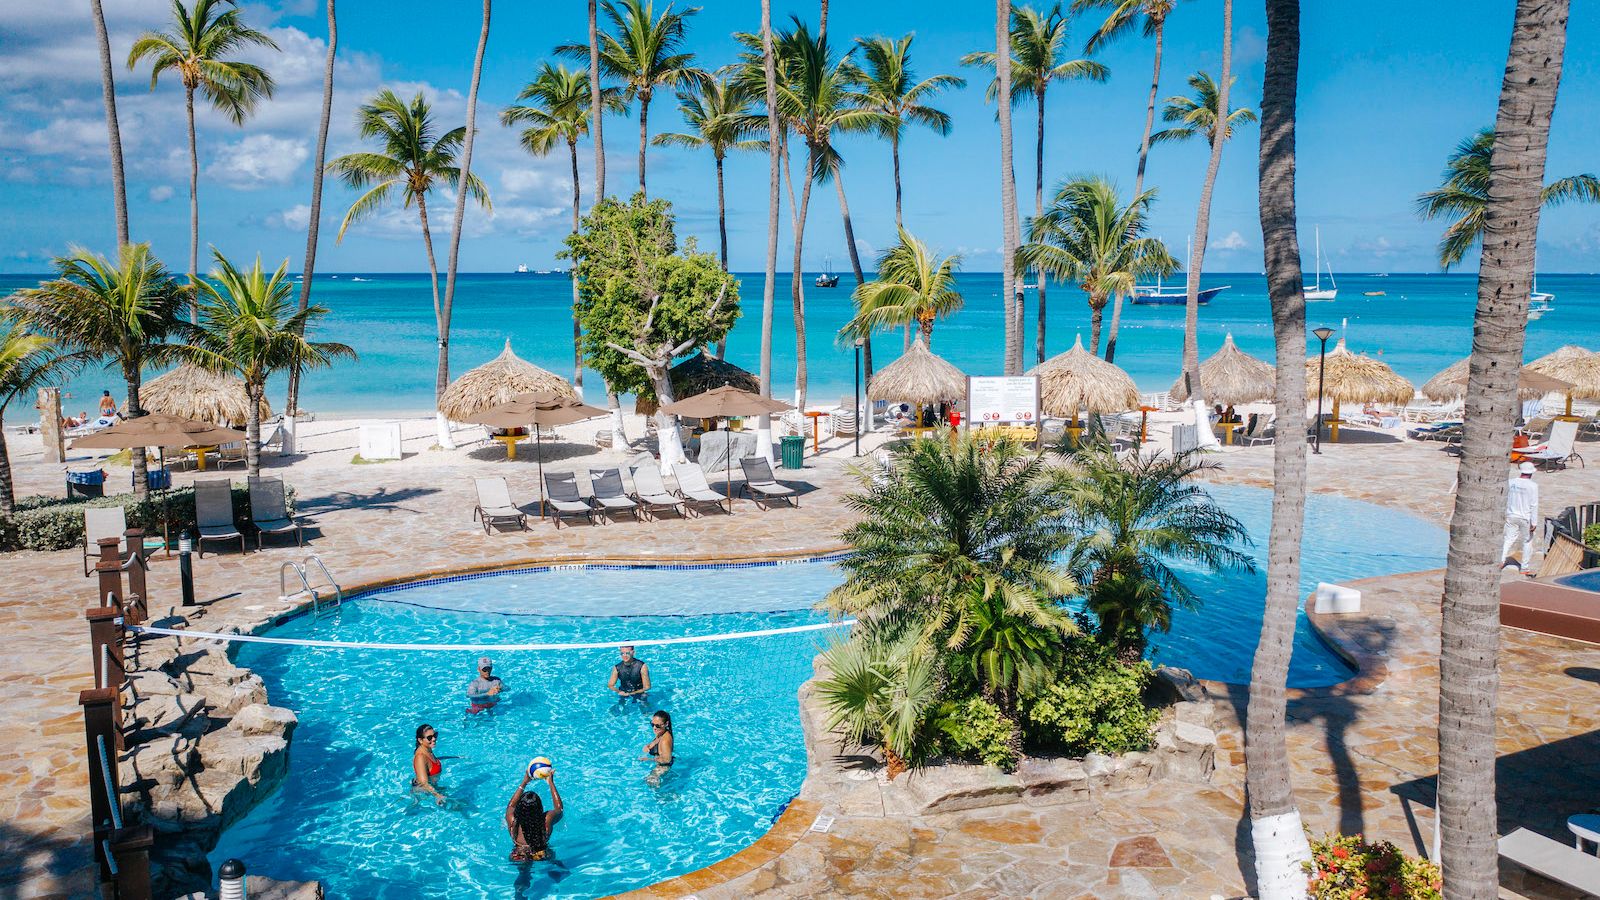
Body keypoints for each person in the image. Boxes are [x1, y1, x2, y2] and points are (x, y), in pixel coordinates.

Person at [505, 769, 563, 862]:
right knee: (553, 863)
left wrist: (524, 782)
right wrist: (550, 783)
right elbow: (559, 809)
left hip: (519, 854)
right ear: (539, 808)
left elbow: (511, 805)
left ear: (519, 808)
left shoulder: (512, 820)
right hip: (541, 853)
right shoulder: (547, 820)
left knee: (524, 874)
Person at [1502, 461, 1540, 575]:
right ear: (1531, 473)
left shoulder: (1511, 482)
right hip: (1525, 518)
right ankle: (1524, 567)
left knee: (1508, 539)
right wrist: (1534, 522)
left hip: (1511, 515)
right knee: (1527, 542)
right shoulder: (1533, 486)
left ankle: (1501, 560)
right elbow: (1534, 505)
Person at [412, 724, 447, 805]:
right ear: (420, 740)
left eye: (435, 735)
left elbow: (435, 760)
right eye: (429, 737)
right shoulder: (420, 757)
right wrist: (437, 795)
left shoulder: (427, 748)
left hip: (433, 787)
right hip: (423, 793)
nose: (434, 739)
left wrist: (455, 757)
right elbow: (423, 783)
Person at [640, 710, 674, 786]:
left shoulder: (665, 740)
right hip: (659, 765)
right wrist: (649, 746)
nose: (654, 728)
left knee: (651, 785)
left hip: (662, 768)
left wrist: (648, 759)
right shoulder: (661, 732)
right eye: (652, 724)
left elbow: (667, 760)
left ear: (666, 724)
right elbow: (656, 742)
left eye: (657, 725)